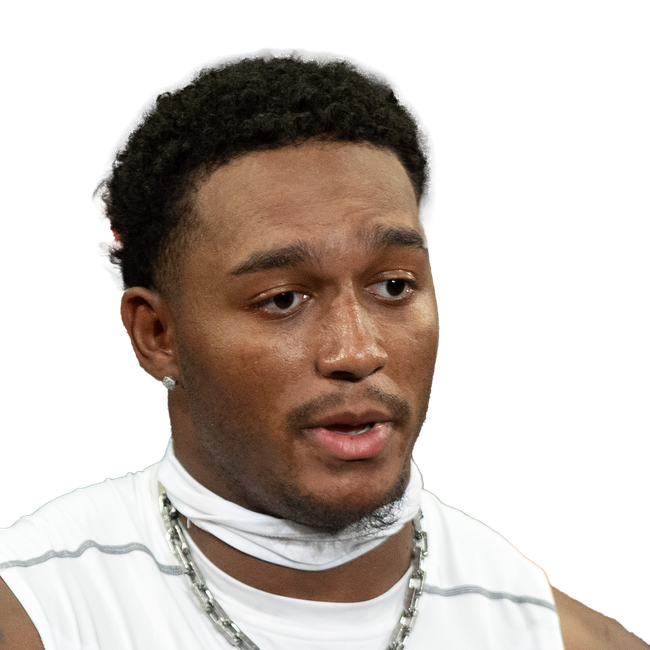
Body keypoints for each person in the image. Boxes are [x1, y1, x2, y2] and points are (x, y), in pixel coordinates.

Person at [0, 48, 644, 650]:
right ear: (156, 335)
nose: (357, 352)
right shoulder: (40, 614)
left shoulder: (554, 636)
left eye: (394, 286)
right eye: (283, 299)